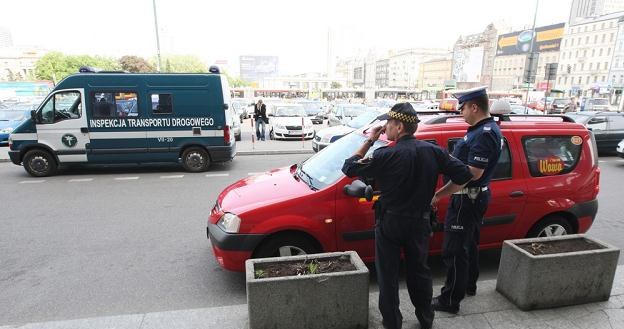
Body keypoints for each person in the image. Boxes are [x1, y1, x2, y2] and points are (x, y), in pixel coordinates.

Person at [342, 103, 472, 329]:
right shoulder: (433, 151)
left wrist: (371, 139)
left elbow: (349, 167)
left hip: (390, 223)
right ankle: (425, 319)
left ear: (399, 126)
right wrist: (438, 196)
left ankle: (393, 323)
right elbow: (463, 175)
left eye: (388, 125)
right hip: (419, 223)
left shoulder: (385, 154)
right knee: (419, 272)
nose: (385, 129)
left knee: (388, 277)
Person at [431, 86, 503, 314]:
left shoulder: (484, 134)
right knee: (469, 245)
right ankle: (468, 285)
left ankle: (450, 300)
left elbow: (472, 173)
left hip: (465, 200)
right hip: (472, 198)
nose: (460, 112)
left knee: (454, 250)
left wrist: (438, 195)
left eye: (462, 108)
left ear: (474, 107)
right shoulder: (483, 129)